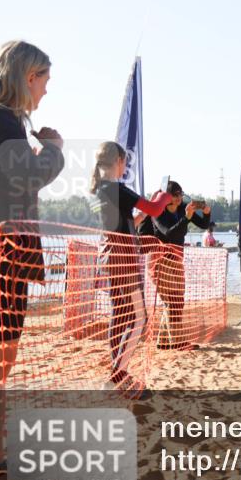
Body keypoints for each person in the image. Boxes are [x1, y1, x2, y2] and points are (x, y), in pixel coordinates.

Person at [0, 41, 65, 393]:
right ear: (28, 76)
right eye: (45, 80)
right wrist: (54, 152)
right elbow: (27, 177)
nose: (45, 90)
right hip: (1, 258)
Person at [89, 141, 172, 393]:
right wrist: (163, 196)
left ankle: (116, 373)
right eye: (125, 162)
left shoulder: (98, 190)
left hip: (109, 256)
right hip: (123, 258)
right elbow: (156, 208)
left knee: (121, 315)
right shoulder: (116, 189)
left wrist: (140, 217)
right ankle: (118, 374)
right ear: (120, 162)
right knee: (139, 317)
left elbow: (126, 223)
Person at [138, 181, 211, 350]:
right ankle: (177, 342)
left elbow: (204, 225)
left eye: (181, 194)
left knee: (175, 301)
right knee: (174, 301)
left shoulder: (182, 207)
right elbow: (169, 233)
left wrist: (207, 213)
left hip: (176, 260)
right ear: (166, 197)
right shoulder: (158, 211)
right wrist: (186, 217)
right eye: (175, 195)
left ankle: (164, 342)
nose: (179, 198)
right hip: (159, 261)